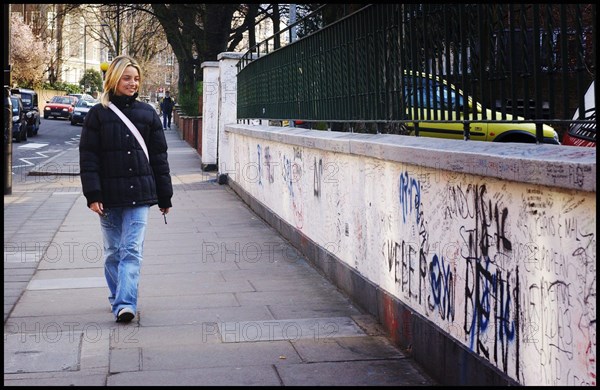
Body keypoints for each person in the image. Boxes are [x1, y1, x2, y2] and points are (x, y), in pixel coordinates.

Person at [79, 55, 173, 323]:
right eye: (127, 78)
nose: (133, 83)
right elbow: (89, 157)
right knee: (113, 252)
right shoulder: (98, 115)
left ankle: (125, 303)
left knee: (131, 250)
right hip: (108, 197)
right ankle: (117, 297)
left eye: (136, 78)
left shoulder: (148, 113)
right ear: (114, 79)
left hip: (140, 195)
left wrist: (164, 195)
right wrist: (93, 195)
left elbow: (159, 158)